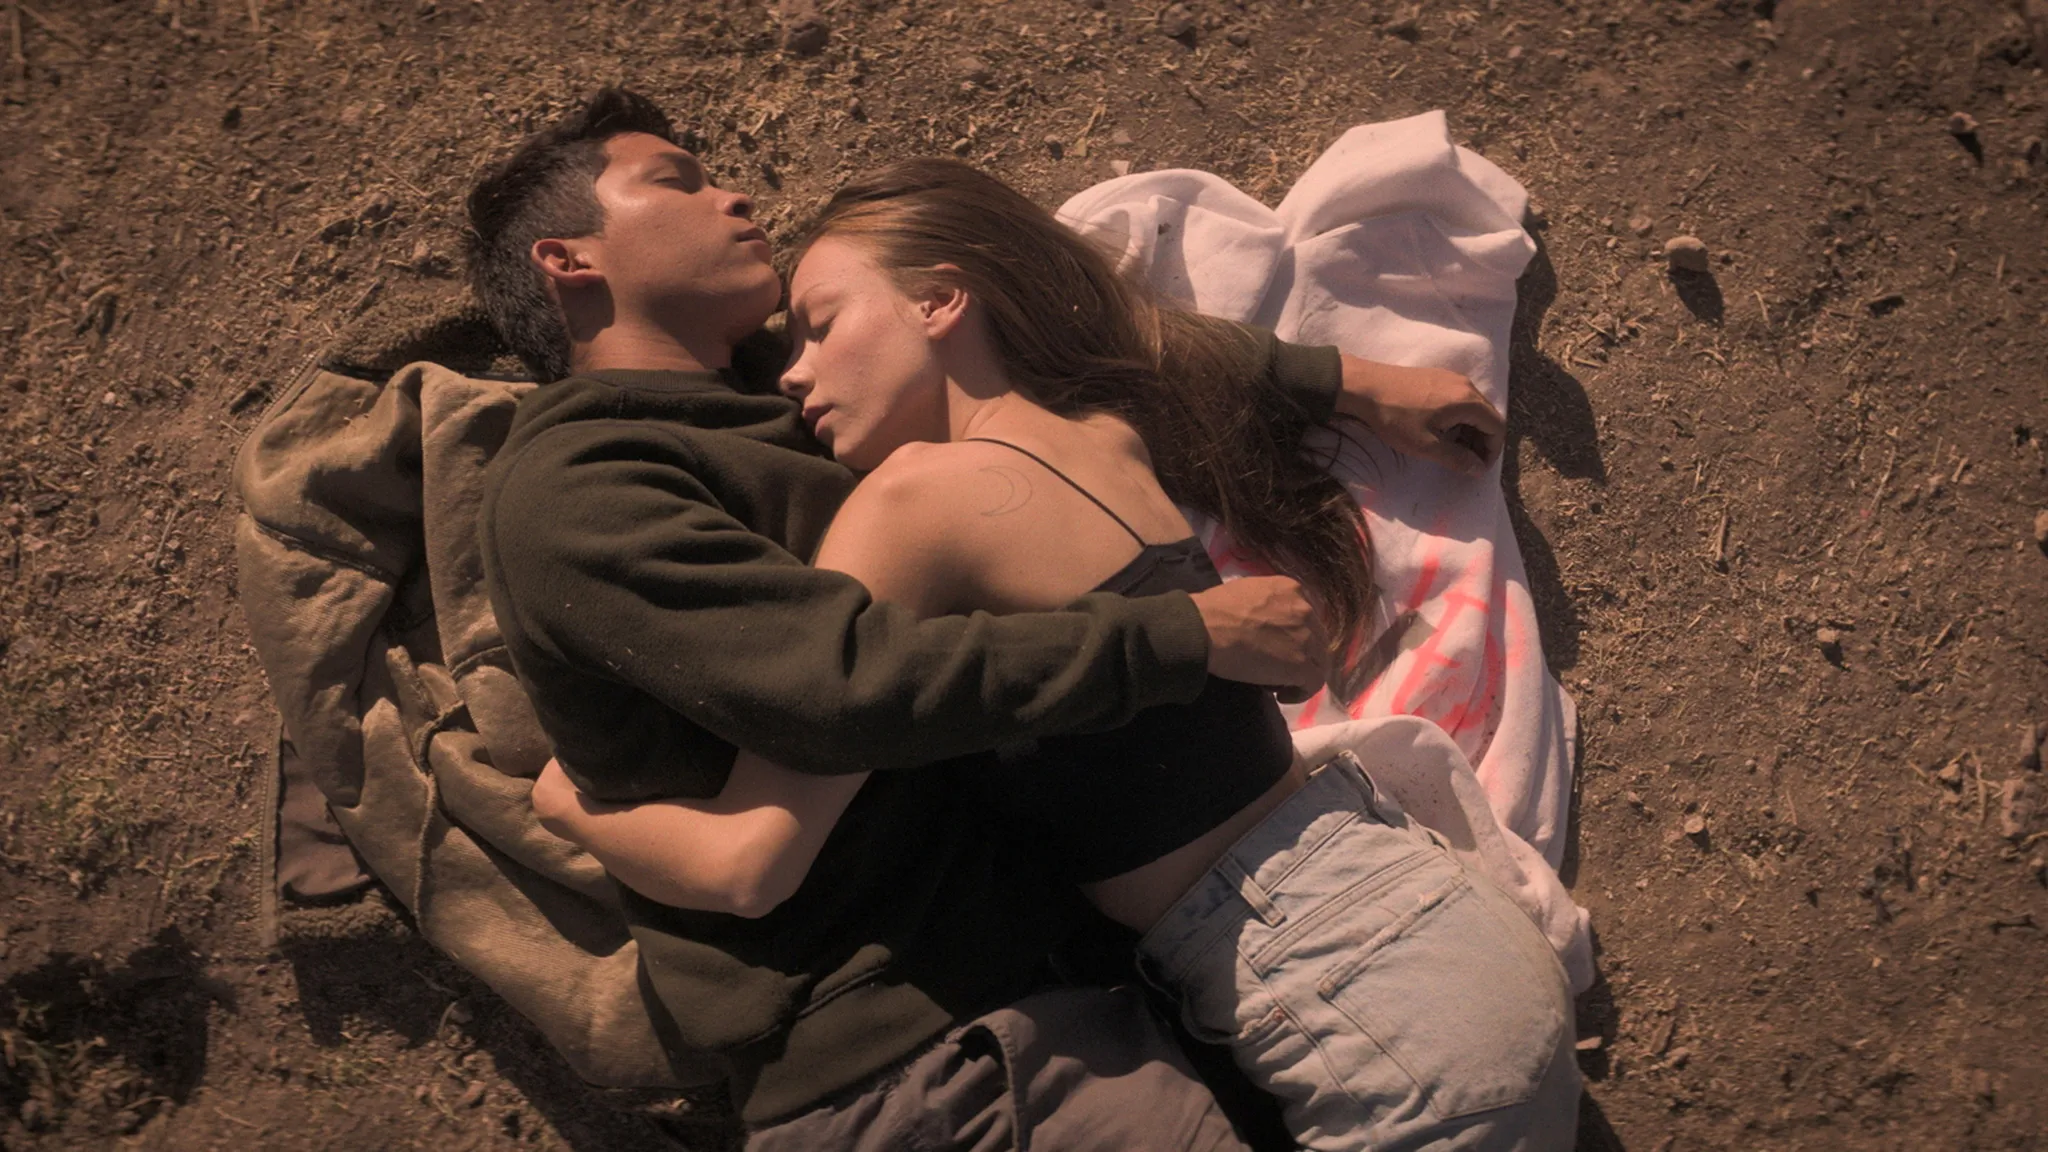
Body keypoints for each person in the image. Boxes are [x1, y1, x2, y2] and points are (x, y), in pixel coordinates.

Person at [470, 86, 1508, 1148]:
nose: (732, 193)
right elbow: (838, 683)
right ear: (569, 261)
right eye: (675, 181)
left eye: (820, 332)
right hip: (921, 1057)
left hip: (1089, 988)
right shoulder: (580, 484)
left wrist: (1340, 382)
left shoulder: (776, 405)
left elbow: (1057, 348)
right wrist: (1187, 636)